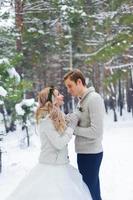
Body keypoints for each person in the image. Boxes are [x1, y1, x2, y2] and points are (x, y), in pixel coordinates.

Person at [6, 86, 92, 200]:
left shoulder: (56, 115)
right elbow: (59, 143)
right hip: (52, 168)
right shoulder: (46, 120)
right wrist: (71, 127)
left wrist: (68, 121)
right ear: (52, 100)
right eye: (58, 95)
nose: (62, 95)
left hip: (62, 164)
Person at [64, 69, 105, 200]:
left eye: (70, 86)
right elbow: (77, 120)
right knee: (91, 191)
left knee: (89, 192)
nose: (68, 90)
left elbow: (96, 131)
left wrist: (73, 130)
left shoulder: (94, 99)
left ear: (79, 82)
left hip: (92, 154)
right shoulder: (80, 101)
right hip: (84, 153)